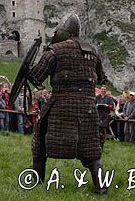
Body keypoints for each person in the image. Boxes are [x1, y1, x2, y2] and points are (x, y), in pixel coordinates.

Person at [26, 14, 108, 195]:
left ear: (65, 30)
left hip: (61, 104)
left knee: (40, 139)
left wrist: (27, 71)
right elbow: (101, 78)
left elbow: (36, 76)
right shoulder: (93, 52)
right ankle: (101, 187)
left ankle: (36, 180)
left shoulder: (55, 50)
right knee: (91, 149)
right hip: (87, 106)